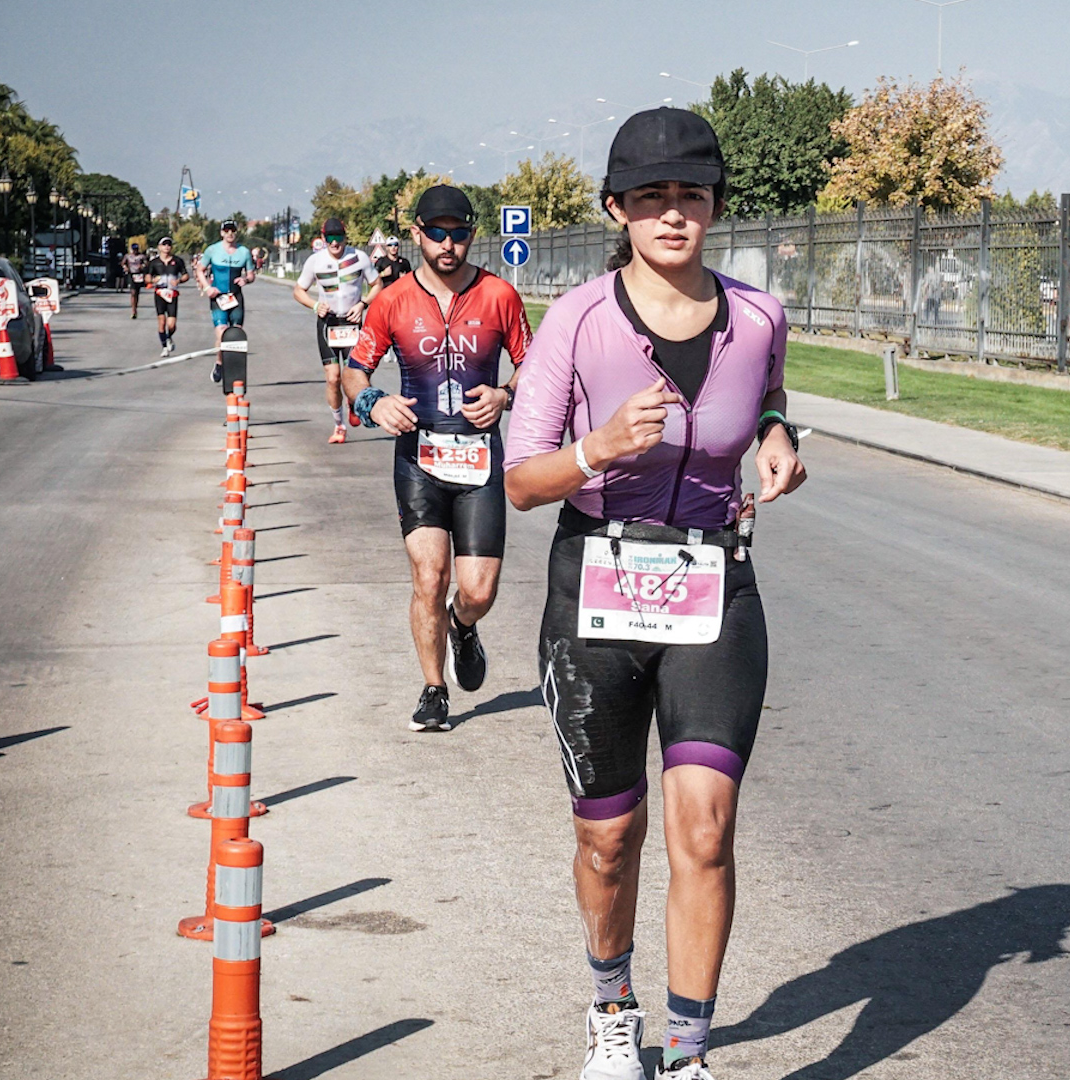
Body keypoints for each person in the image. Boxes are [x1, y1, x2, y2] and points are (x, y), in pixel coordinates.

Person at [503, 107, 806, 1080]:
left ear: (715, 205)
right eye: (650, 198)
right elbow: (519, 480)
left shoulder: (759, 317)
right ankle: (610, 1012)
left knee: (705, 829)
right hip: (594, 585)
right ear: (616, 209)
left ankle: (688, 1054)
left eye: (690, 196)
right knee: (610, 839)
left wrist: (773, 433)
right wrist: (598, 449)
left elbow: (766, 391)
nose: (672, 215)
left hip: (715, 586)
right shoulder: (578, 320)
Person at [344, 184, 533, 731]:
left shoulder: (499, 295)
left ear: (472, 234)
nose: (449, 244)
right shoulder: (392, 300)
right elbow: (356, 370)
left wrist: (505, 395)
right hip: (418, 456)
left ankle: (463, 626)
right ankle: (433, 689)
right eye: (437, 233)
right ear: (417, 234)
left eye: (460, 233)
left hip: (479, 462)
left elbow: (535, 366)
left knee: (477, 590)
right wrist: (373, 402)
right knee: (429, 575)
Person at [295, 218, 381, 443]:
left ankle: (353, 403)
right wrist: (314, 305)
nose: (335, 243)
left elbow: (377, 285)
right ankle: (339, 425)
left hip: (352, 322)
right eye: (330, 239)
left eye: (339, 238)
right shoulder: (315, 261)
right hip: (328, 323)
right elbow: (298, 290)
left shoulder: (359, 257)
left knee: (357, 375)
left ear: (345, 238)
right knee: (333, 378)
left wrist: (363, 304)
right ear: (323, 239)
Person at [201, 220, 257, 381]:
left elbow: (251, 274)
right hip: (218, 297)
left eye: (233, 230)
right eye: (226, 231)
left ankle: (234, 369)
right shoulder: (212, 250)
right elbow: (200, 270)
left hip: (236, 298)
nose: (230, 233)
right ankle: (219, 363)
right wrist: (207, 288)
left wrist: (246, 279)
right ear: (222, 233)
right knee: (222, 332)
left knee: (236, 335)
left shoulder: (244, 252)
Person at [147, 237, 190, 357]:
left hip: (172, 294)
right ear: (159, 247)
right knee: (161, 322)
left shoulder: (177, 261)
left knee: (171, 324)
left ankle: (169, 336)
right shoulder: (154, 262)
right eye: (164, 245)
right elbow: (147, 277)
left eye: (169, 245)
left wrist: (179, 280)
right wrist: (152, 279)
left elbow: (186, 275)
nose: (167, 247)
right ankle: (164, 346)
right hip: (160, 293)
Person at [121, 243, 148, 319]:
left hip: (139, 275)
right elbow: (123, 263)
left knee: (137, 293)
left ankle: (135, 307)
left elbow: (146, 263)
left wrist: (142, 266)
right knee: (133, 292)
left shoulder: (141, 256)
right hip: (131, 274)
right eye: (134, 249)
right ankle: (133, 311)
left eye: (136, 249)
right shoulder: (128, 256)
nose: (135, 251)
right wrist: (125, 267)